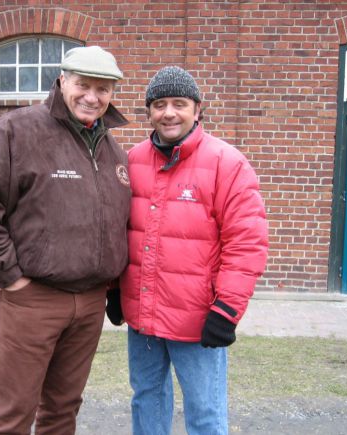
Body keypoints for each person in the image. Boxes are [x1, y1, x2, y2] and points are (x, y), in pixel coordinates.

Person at [0, 46, 131, 435]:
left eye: (103, 89)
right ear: (62, 80)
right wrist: (10, 277)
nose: (92, 97)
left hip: (89, 305)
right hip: (32, 298)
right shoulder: (17, 130)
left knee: (63, 410)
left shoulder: (113, 150)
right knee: (14, 413)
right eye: (83, 85)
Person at [116, 66, 269, 434]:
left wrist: (228, 309)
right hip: (143, 316)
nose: (168, 112)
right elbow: (117, 228)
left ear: (197, 109)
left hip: (199, 321)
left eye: (179, 104)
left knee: (204, 411)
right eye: (159, 104)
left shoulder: (227, 164)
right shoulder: (131, 161)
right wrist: (112, 290)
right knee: (146, 399)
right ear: (149, 112)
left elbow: (246, 241)